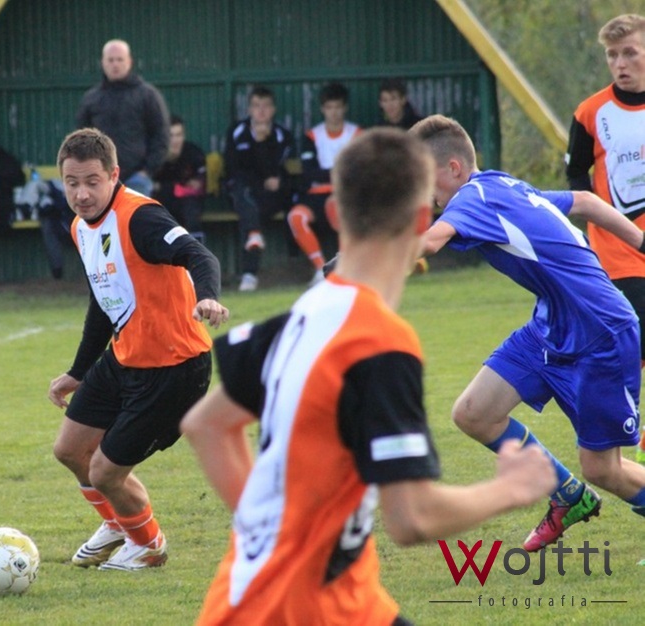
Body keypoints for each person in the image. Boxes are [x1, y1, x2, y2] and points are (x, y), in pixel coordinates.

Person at [181, 128, 556, 624]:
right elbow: (412, 517)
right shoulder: (379, 341)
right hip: (292, 611)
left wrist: (276, 534)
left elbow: (206, 425)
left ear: (335, 213)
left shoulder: (301, 314)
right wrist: (511, 488)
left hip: (325, 601)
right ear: (422, 220)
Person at [411, 114, 645, 553]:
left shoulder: (471, 199)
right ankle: (567, 495)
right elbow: (585, 201)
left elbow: (428, 243)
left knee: (604, 469)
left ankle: (583, 488)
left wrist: (362, 255)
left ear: (454, 168)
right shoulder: (502, 186)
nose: (425, 193)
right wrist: (642, 242)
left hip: (601, 332)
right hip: (550, 327)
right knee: (474, 413)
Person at [47, 128, 229, 572]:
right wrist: (78, 371)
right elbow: (103, 301)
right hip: (126, 356)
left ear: (114, 175)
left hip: (174, 367)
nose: (82, 194)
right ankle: (117, 524)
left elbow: (200, 256)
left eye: (92, 181)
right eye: (72, 183)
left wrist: (207, 296)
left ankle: (148, 545)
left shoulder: (140, 218)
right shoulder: (80, 227)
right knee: (70, 450)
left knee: (105, 472)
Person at [565, 13, 645, 461]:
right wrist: (597, 223)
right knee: (635, 340)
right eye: (612, 55)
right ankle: (622, 438)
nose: (620, 63)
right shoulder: (590, 112)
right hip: (620, 253)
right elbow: (576, 174)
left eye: (630, 52)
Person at [76, 39, 170, 198]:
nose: (115, 64)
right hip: (101, 179)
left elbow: (161, 135)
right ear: (103, 63)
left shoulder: (148, 95)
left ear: (129, 62)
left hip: (137, 179)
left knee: (135, 215)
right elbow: (81, 139)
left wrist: (147, 171)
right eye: (110, 60)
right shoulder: (91, 98)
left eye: (120, 59)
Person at [288, 82, 361, 285]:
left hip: (346, 194)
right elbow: (309, 172)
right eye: (329, 107)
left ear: (345, 108)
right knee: (296, 217)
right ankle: (321, 270)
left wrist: (326, 174)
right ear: (322, 109)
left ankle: (343, 269)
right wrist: (339, 171)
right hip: (316, 196)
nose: (334, 112)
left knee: (343, 211)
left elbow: (359, 170)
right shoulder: (312, 136)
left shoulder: (356, 134)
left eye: (338, 107)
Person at [223, 85, 293, 292]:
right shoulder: (237, 131)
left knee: (250, 208)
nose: (261, 111)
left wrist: (262, 143)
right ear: (249, 109)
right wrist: (257, 146)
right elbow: (232, 167)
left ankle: (249, 273)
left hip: (269, 195)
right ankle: (250, 271)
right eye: (256, 106)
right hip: (243, 190)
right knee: (245, 198)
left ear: (273, 109)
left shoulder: (282, 135)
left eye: (266, 106)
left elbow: (274, 172)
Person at [152, 114, 207, 243]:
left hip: (188, 204)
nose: (175, 140)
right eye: (171, 135)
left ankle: (195, 252)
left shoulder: (193, 153)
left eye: (179, 135)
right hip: (162, 203)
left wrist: (168, 187)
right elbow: (150, 186)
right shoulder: (155, 156)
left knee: (190, 209)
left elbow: (199, 186)